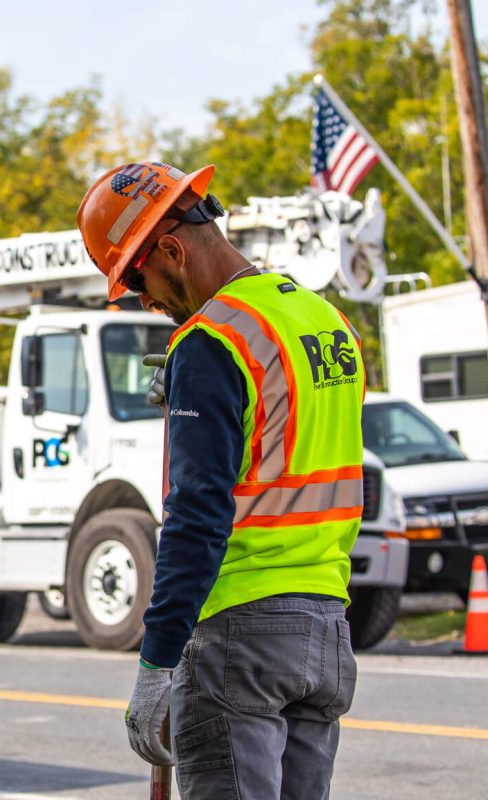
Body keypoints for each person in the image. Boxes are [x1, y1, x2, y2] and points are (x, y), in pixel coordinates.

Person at [77, 161, 364, 799]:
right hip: (326, 630)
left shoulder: (212, 342)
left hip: (242, 634)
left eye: (138, 279)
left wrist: (156, 662)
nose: (144, 301)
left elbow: (197, 515)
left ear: (172, 248)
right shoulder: (322, 321)